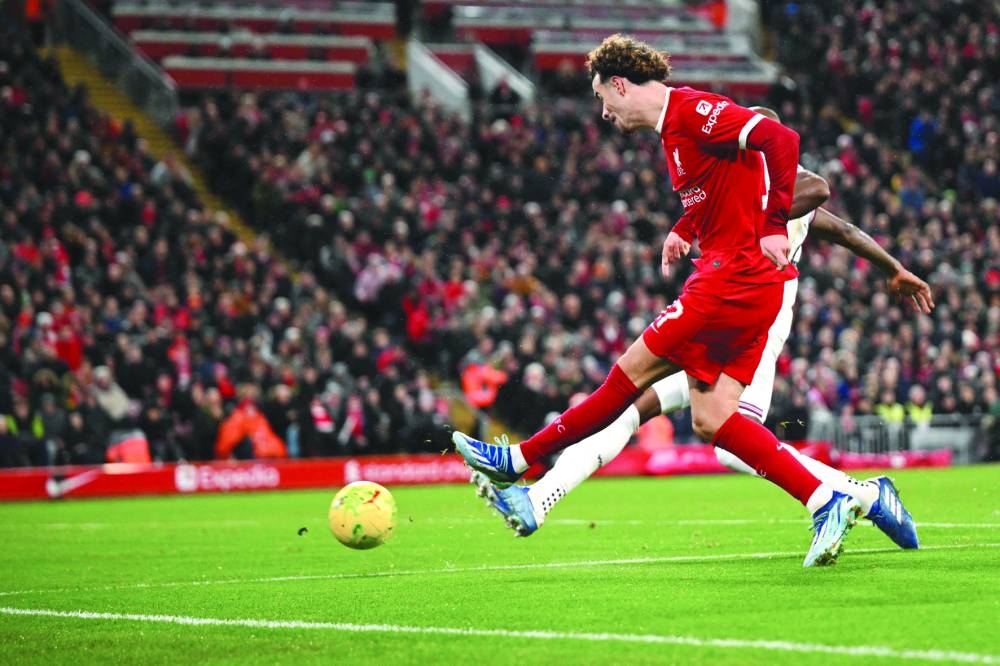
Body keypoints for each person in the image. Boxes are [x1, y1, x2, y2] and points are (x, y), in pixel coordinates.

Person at [454, 34, 868, 567]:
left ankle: (519, 460)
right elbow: (723, 193)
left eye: (604, 99)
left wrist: (771, 225)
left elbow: (782, 140)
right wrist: (684, 226)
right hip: (748, 286)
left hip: (729, 281)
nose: (604, 112)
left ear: (621, 85)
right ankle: (826, 500)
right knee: (714, 421)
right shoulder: (673, 134)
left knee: (625, 379)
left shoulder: (694, 110)